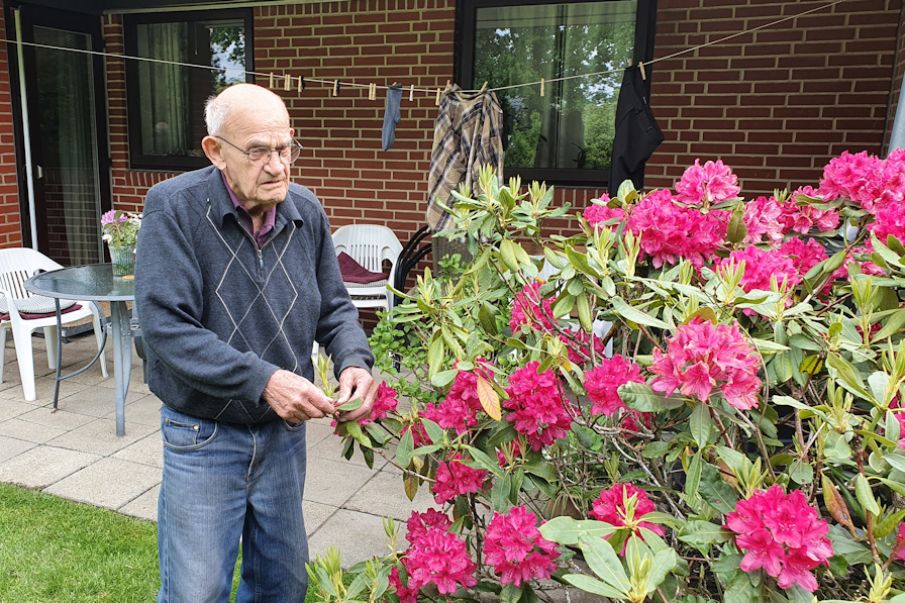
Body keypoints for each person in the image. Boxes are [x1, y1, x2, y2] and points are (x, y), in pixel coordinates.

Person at [135, 83, 377, 603]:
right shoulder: (173, 209)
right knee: (197, 592)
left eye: (286, 148)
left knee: (282, 586)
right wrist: (263, 379)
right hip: (203, 433)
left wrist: (354, 359)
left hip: (283, 437)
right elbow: (166, 328)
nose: (277, 165)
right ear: (216, 151)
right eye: (259, 151)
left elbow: (334, 307)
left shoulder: (305, 211)